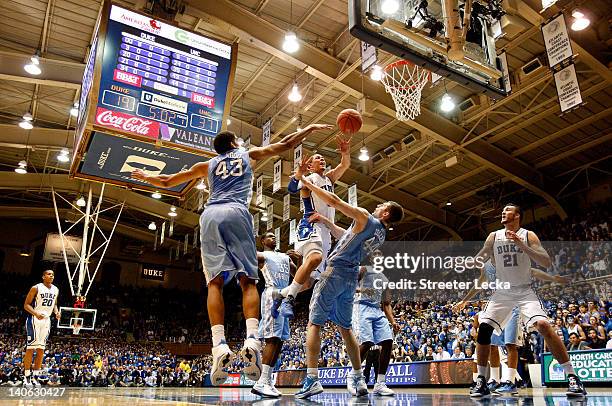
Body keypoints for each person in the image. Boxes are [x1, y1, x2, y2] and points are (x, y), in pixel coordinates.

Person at [132, 124, 332, 385]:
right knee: (247, 281)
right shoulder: (245, 155)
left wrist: (145, 176)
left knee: (213, 282)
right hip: (237, 213)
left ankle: (219, 344)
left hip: (210, 216)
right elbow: (284, 145)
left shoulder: (207, 165)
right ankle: (251, 339)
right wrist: (310, 128)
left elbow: (168, 181)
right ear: (236, 144)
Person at [292, 156, 404, 399]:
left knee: (314, 323)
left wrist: (305, 182)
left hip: (336, 270)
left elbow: (333, 200)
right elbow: (346, 237)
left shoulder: (366, 216)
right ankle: (358, 378)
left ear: (384, 212)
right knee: (345, 327)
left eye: (381, 205)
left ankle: (312, 378)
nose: (377, 206)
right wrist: (325, 221)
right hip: (351, 277)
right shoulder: (381, 234)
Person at [469, 204, 586, 398]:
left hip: (524, 290)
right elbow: (482, 254)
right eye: (503, 210)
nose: (503, 212)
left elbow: (546, 262)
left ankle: (573, 378)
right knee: (484, 328)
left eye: (508, 210)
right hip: (502, 292)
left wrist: (521, 245)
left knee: (542, 324)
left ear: (517, 215)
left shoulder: (528, 235)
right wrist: (471, 261)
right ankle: (481, 381)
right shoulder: (494, 236)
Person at [455, 260, 569, 396]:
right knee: (492, 344)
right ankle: (494, 379)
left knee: (510, 344)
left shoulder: (509, 257)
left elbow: (531, 271)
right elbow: (480, 283)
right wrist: (465, 299)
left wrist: (552, 278)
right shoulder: (486, 265)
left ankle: (510, 381)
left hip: (515, 304)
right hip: (498, 303)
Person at [276, 136, 352, 317]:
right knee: (316, 258)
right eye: (317, 158)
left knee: (309, 283)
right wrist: (298, 174)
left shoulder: (330, 179)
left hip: (326, 231)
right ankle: (289, 300)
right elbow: (291, 189)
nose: (322, 159)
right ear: (310, 166)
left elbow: (345, 165)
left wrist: (345, 152)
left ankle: (279, 294)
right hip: (310, 225)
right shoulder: (308, 179)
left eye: (323, 158)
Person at [251, 232, 297, 398]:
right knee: (272, 338)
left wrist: (296, 259)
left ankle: (268, 380)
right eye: (269, 236)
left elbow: (297, 274)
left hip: (285, 295)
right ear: (262, 241)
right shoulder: (262, 255)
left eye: (274, 235)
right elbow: (246, 256)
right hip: (272, 294)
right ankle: (261, 381)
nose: (273, 237)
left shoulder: (285, 256)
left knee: (279, 339)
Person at [23, 269, 60, 388]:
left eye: (53, 275)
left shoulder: (56, 289)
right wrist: (35, 313)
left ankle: (35, 377)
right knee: (30, 348)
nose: (51, 276)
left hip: (46, 321)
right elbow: (26, 305)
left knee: (41, 350)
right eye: (49, 274)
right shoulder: (36, 288)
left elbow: (54, 303)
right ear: (43, 276)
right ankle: (26, 377)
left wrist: (56, 312)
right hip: (34, 319)